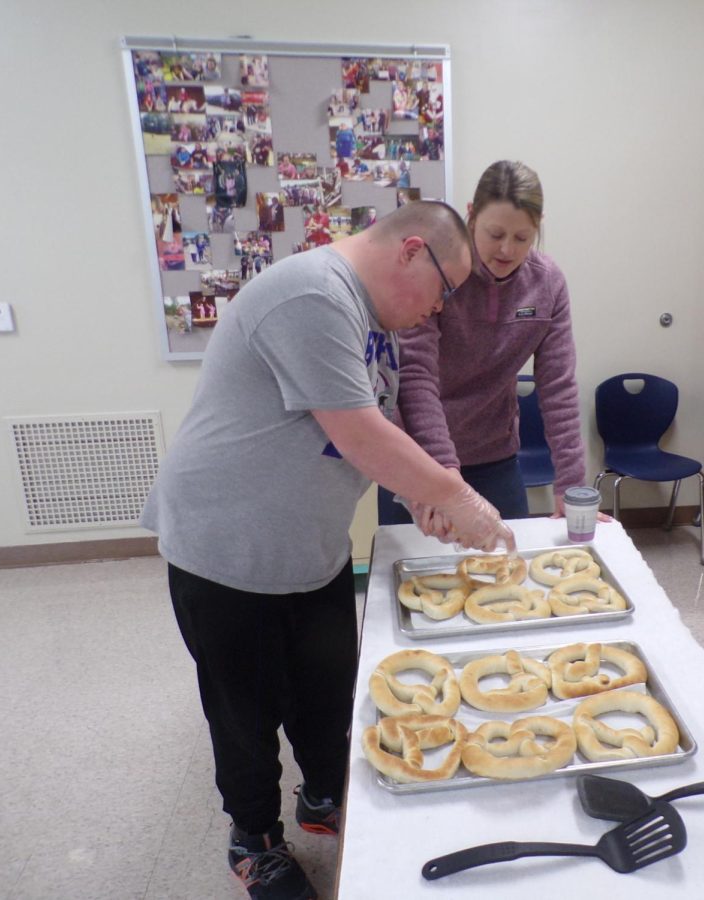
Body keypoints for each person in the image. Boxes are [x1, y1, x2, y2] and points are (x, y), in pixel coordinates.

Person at [140, 200, 514, 900]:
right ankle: (254, 840)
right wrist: (460, 498)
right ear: (410, 251)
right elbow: (357, 435)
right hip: (228, 546)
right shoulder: (311, 294)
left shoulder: (373, 322)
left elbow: (384, 424)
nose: (438, 312)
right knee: (245, 709)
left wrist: (429, 494)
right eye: (442, 292)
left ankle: (321, 801)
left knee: (323, 689)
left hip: (309, 545)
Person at [380, 160, 599, 527]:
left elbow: (558, 387)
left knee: (505, 569)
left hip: (495, 457)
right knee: (413, 570)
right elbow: (417, 378)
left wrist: (570, 484)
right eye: (495, 234)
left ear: (537, 228)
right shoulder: (438, 272)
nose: (507, 250)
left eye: (522, 238)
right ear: (471, 215)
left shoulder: (547, 285)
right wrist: (445, 478)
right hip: (417, 456)